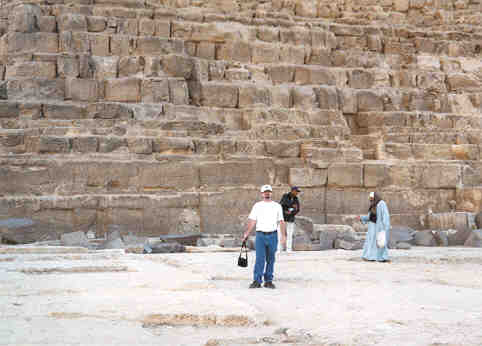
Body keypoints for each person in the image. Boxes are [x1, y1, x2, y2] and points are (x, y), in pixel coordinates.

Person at [243, 184, 286, 289]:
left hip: (272, 235)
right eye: (265, 191)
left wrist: (283, 235)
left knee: (271, 259)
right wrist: (247, 233)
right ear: (262, 193)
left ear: (271, 193)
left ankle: (268, 280)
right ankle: (257, 280)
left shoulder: (277, 206)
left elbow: (281, 221)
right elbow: (252, 220)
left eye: (269, 191)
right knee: (260, 259)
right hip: (260, 235)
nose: (267, 193)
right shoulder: (257, 206)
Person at [357, 191, 390, 262]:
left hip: (379, 227)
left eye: (372, 198)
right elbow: (369, 217)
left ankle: (381, 257)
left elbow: (385, 215)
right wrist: (362, 218)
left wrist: (385, 226)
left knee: (380, 242)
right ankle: (370, 256)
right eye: (370, 198)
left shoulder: (382, 204)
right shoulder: (372, 205)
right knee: (371, 242)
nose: (370, 199)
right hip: (372, 227)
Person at [279, 186, 301, 252]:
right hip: (283, 218)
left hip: (291, 218)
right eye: (296, 191)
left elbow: (297, 209)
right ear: (292, 191)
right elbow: (282, 204)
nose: (297, 193)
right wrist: (292, 206)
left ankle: (289, 249)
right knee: (281, 234)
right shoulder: (285, 196)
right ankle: (279, 248)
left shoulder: (296, 199)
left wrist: (291, 212)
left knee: (289, 234)